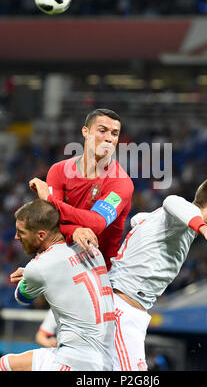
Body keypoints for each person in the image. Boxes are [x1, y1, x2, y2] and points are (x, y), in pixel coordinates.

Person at [108, 175, 207, 371]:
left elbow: (139, 220)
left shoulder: (175, 224)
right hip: (123, 310)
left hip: (124, 308)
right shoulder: (180, 213)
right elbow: (172, 201)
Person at [0, 199, 115, 371]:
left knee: (6, 365)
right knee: (7, 363)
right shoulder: (91, 247)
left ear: (41, 235)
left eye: (21, 232)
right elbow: (67, 269)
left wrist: (28, 276)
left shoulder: (39, 267)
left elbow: (22, 298)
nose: (16, 237)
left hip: (75, 361)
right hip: (106, 357)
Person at [28, 108, 134, 271]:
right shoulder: (59, 171)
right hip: (61, 265)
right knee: (23, 289)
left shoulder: (121, 182)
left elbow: (97, 223)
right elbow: (49, 221)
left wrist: (49, 199)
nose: (108, 138)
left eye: (114, 134)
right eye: (102, 131)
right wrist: (74, 230)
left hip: (101, 272)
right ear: (86, 132)